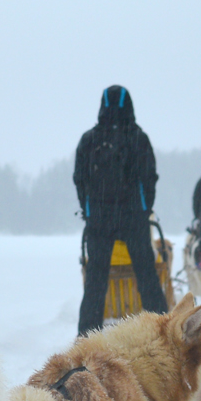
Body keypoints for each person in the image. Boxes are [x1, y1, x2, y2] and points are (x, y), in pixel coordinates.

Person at [73, 84, 168, 336]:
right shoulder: (138, 138)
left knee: (95, 283)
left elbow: (79, 180)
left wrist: (89, 210)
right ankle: (164, 332)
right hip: (133, 219)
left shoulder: (89, 140)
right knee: (147, 277)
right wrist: (144, 209)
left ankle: (86, 339)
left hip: (99, 222)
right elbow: (150, 177)